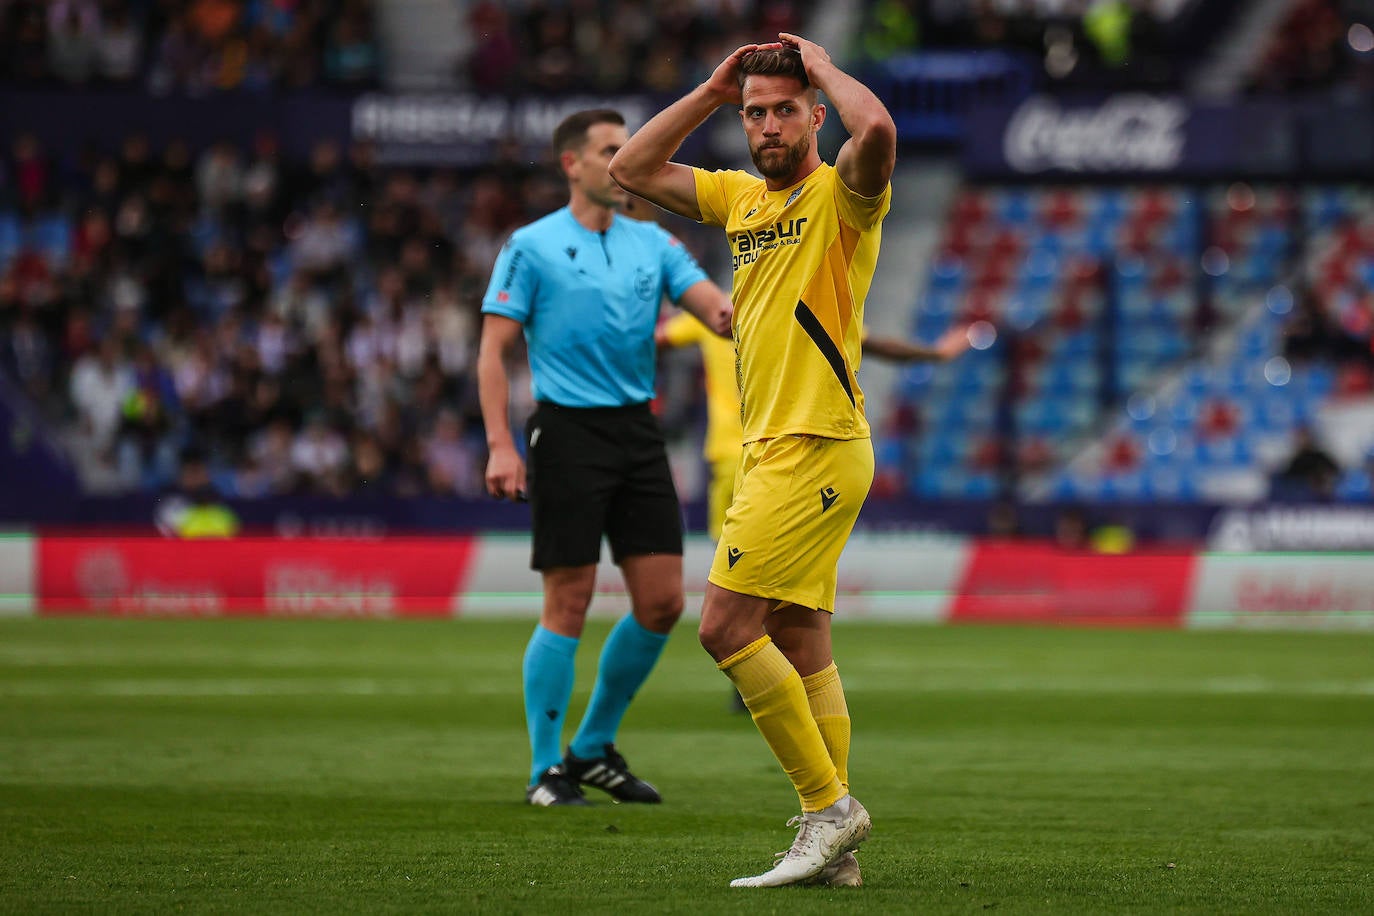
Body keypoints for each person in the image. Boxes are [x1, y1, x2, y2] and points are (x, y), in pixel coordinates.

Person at [610, 34, 897, 887]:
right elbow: (630, 167)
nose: (768, 127)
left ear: (813, 115)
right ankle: (836, 857)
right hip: (785, 447)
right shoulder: (738, 199)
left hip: (812, 445)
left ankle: (828, 809)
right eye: (755, 115)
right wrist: (708, 90)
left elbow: (876, 129)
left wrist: (823, 69)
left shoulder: (842, 195)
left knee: (725, 628)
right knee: (801, 638)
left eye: (783, 111)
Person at [477, 109, 733, 807]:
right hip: (565, 433)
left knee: (662, 603)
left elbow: (718, 310)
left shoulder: (653, 244)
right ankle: (542, 769)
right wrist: (501, 443)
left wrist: (760, 311)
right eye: (612, 150)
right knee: (569, 600)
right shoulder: (530, 246)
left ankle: (591, 747)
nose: (625, 162)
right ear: (573, 165)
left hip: (636, 434)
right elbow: (494, 350)